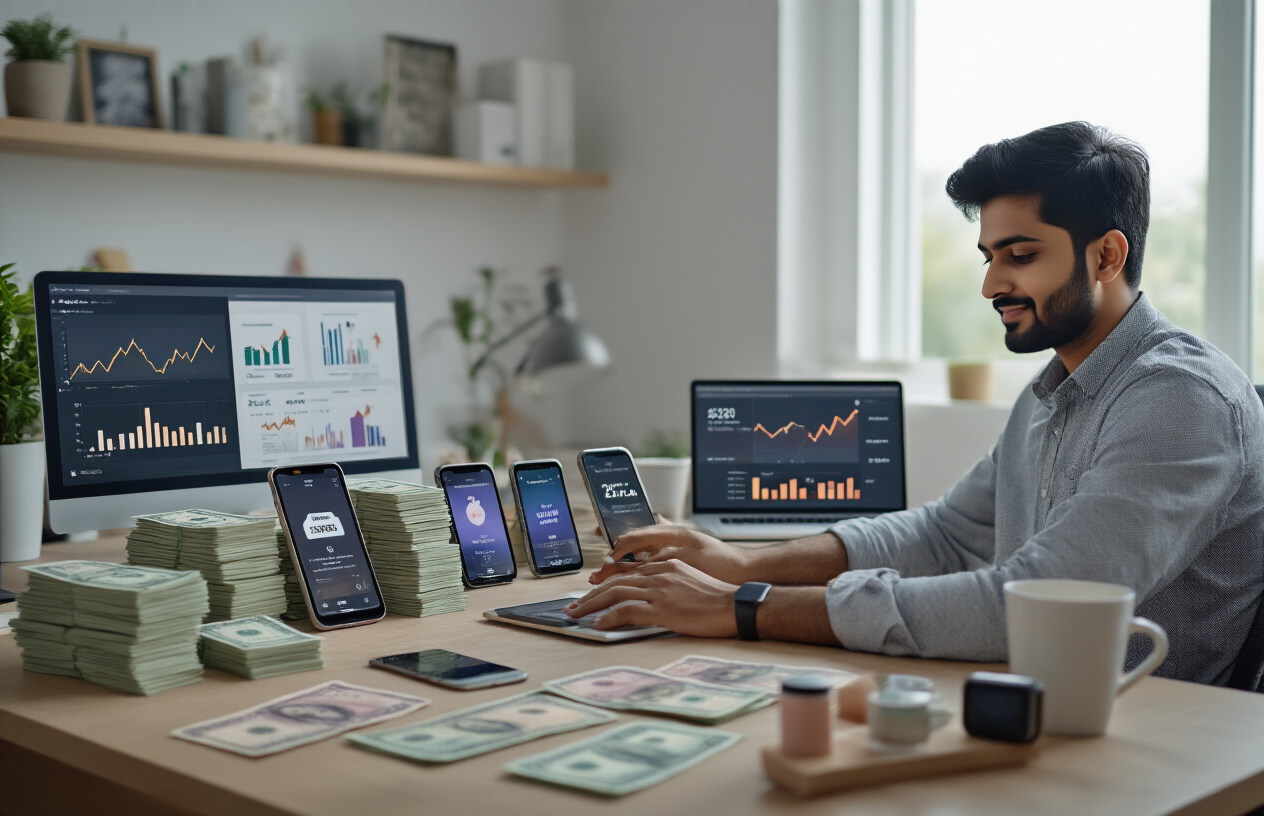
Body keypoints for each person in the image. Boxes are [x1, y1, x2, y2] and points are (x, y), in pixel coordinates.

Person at [565, 121, 1264, 686]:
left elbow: (1037, 603)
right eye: (988, 256)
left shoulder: (1180, 399)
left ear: (1106, 256)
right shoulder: (1052, 392)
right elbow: (944, 537)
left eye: (1020, 255)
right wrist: (745, 566)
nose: (991, 285)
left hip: (1152, 736)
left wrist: (744, 608)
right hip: (1031, 702)